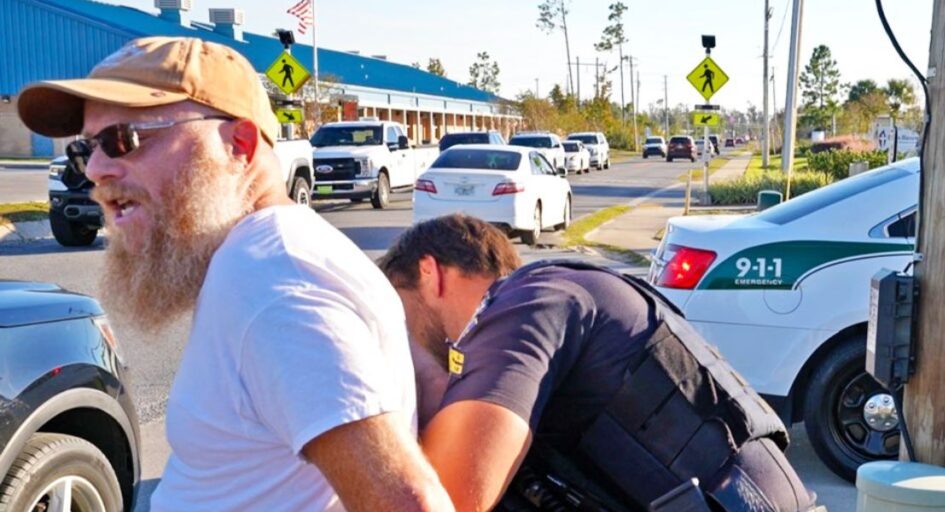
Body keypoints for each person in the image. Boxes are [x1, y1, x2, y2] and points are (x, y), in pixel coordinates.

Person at [17, 37, 453, 511]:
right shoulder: (266, 257)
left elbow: (409, 501)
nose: (96, 169)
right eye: (86, 148)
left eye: (123, 139)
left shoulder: (276, 278)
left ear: (239, 145)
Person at [378, 214, 820, 512]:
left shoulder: (531, 302)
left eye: (395, 310)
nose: (392, 340)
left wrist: (417, 374)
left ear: (429, 273)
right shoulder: (566, 298)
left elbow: (448, 499)